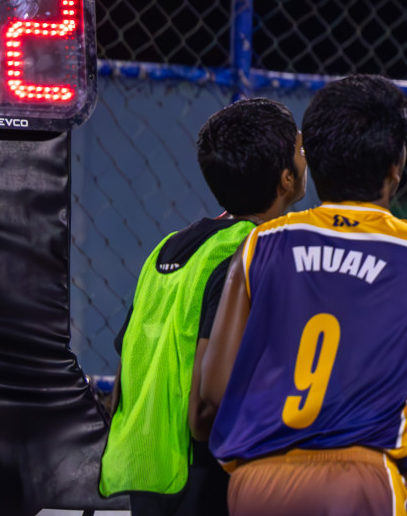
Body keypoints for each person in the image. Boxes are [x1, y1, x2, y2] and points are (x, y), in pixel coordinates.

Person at [199, 74, 407, 515]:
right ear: (396, 165)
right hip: (362, 480)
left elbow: (215, 390)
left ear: (310, 162)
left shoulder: (262, 243)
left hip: (257, 483)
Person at [99, 97, 308, 516]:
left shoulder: (169, 246)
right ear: (286, 179)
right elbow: (204, 413)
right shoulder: (254, 252)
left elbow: (122, 382)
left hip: (142, 474)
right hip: (205, 481)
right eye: (302, 150)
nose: (307, 158)